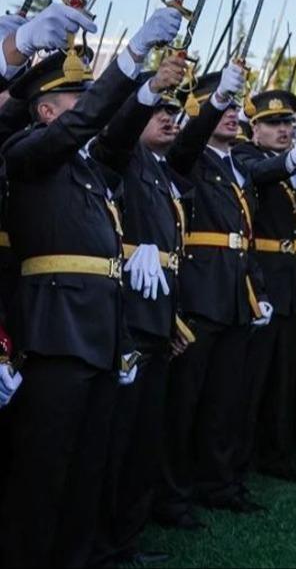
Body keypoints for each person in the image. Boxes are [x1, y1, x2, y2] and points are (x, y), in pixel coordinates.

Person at [0, 5, 180, 567]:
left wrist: (145, 85)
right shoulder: (27, 152)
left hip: (100, 332)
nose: (88, 109)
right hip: (55, 331)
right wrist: (126, 60)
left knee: (86, 467)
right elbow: (88, 123)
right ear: (47, 110)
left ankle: (80, 559)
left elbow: (117, 132)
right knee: (44, 470)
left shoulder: (87, 168)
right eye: (76, 101)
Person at [158, 62, 271, 527]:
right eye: (217, 107)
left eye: (232, 108)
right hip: (200, 296)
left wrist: (256, 290)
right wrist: (215, 100)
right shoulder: (186, 156)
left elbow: (246, 236)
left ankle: (219, 483)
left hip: (234, 294)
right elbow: (185, 143)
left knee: (226, 401)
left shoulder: (238, 164)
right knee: (185, 404)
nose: (230, 116)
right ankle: (172, 496)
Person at [89, 55, 191, 567]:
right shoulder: (123, 156)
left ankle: (125, 539)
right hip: (126, 319)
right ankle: (105, 542)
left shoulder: (159, 170)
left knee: (143, 439)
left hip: (155, 318)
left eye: (173, 112)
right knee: (118, 440)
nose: (168, 119)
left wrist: (170, 318)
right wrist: (145, 88)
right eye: (157, 113)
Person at [234, 89, 296, 484]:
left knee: (285, 376)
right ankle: (240, 456)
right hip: (262, 279)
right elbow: (262, 174)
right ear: (254, 129)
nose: (284, 129)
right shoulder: (245, 156)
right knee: (252, 378)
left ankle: (278, 453)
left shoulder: (292, 165)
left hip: (291, 277)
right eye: (273, 124)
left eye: (288, 123)